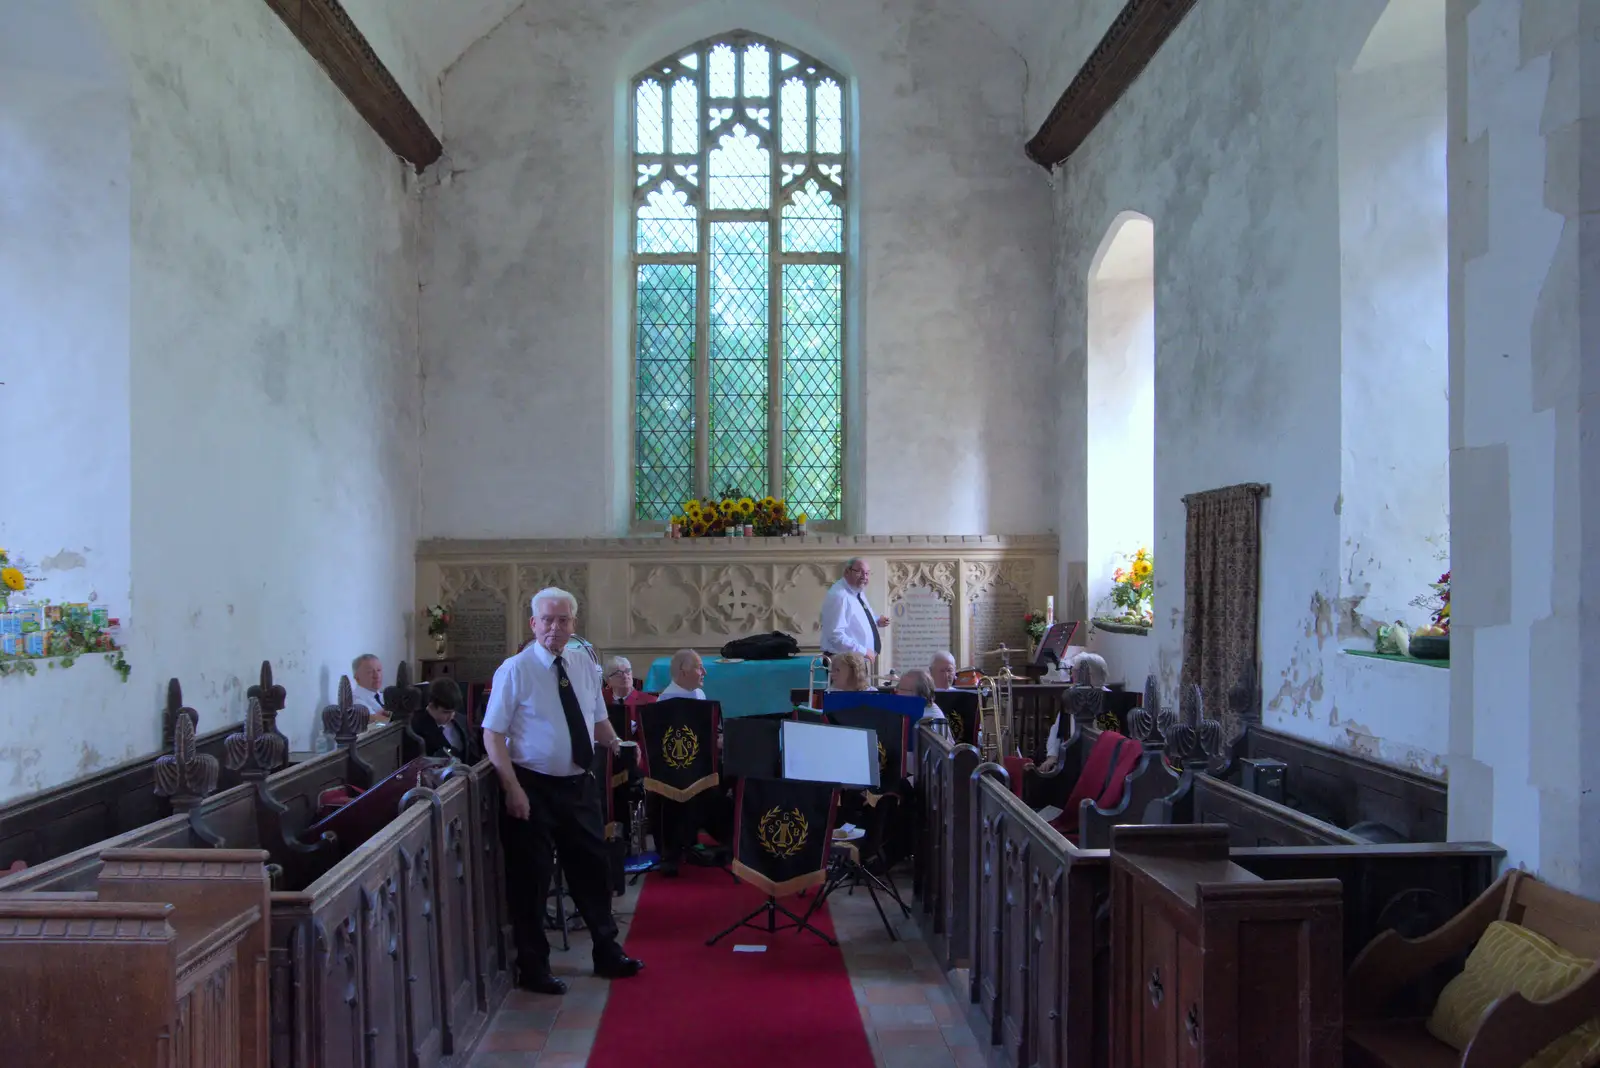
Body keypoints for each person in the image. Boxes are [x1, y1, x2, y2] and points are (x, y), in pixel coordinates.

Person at [482, 587, 643, 994]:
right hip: (532, 788)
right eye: (548, 620)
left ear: (574, 623)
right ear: (533, 623)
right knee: (532, 880)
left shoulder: (584, 663)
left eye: (564, 620)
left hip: (577, 785)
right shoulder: (515, 670)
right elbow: (493, 735)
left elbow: (596, 719)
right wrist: (512, 788)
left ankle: (606, 951)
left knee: (592, 868)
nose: (556, 628)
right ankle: (534, 967)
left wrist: (616, 743)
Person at [1038, 653, 1110, 774]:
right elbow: (1057, 730)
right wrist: (1052, 756)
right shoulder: (1071, 695)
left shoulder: (1108, 698)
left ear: (1091, 674)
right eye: (1073, 671)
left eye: (1076, 671)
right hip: (1070, 757)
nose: (1072, 675)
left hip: (1099, 760)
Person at [820, 557, 889, 662]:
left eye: (867, 573)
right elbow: (835, 636)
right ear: (847, 572)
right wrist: (863, 651)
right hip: (842, 663)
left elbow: (857, 619)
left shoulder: (857, 590)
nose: (864, 577)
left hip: (854, 661)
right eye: (860, 572)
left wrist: (876, 621)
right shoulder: (839, 596)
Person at [410, 677, 478, 762]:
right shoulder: (416, 727)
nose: (451, 716)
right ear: (431, 705)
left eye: (453, 711)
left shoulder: (460, 720)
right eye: (446, 712)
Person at [350, 654, 388, 724]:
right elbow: (382, 724)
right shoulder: (355, 702)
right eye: (370, 672)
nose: (377, 676)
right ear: (357, 677)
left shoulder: (384, 696)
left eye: (379, 670)